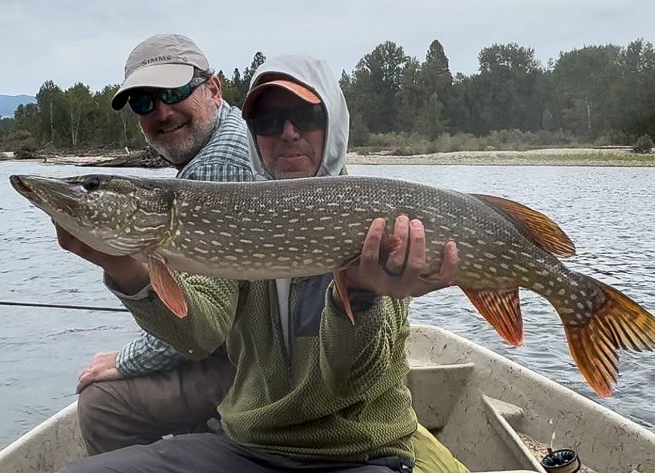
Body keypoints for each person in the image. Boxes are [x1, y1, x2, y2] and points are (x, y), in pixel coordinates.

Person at [59, 53, 469, 472]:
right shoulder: (232, 212)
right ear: (253, 134)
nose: (288, 133)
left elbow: (348, 381)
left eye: (304, 115)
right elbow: (198, 336)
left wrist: (361, 296)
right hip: (248, 448)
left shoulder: (372, 214)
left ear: (333, 122)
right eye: (269, 122)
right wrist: (125, 269)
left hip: (355, 454)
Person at [61, 33, 251, 454]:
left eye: (174, 92)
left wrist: (128, 360)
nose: (161, 112)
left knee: (101, 406)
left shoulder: (216, 167)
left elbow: (203, 324)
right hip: (254, 350)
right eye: (144, 102)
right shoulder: (233, 130)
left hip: (257, 367)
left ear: (213, 89)